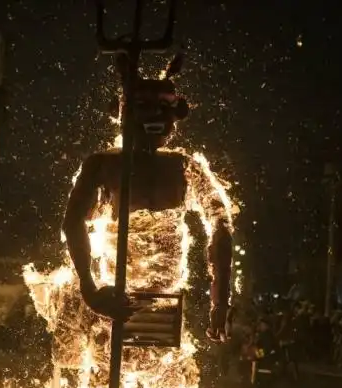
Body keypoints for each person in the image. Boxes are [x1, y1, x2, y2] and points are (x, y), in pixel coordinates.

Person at [62, 57, 233, 343]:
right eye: (144, 108)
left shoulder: (185, 167)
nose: (155, 117)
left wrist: (221, 302)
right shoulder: (103, 164)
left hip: (162, 310)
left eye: (163, 109)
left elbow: (221, 226)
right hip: (114, 303)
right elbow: (73, 222)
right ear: (122, 112)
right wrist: (89, 289)